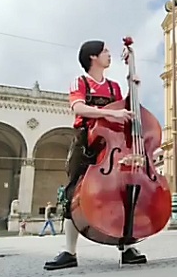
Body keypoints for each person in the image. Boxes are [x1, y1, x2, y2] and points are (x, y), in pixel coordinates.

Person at [44, 40, 146, 271]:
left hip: (110, 143)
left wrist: (133, 84)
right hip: (84, 140)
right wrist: (108, 113)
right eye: (106, 52)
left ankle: (127, 246)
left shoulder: (113, 87)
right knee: (72, 192)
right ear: (93, 57)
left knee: (122, 192)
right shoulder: (79, 82)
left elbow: (126, 110)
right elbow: (78, 108)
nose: (109, 55)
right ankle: (69, 251)